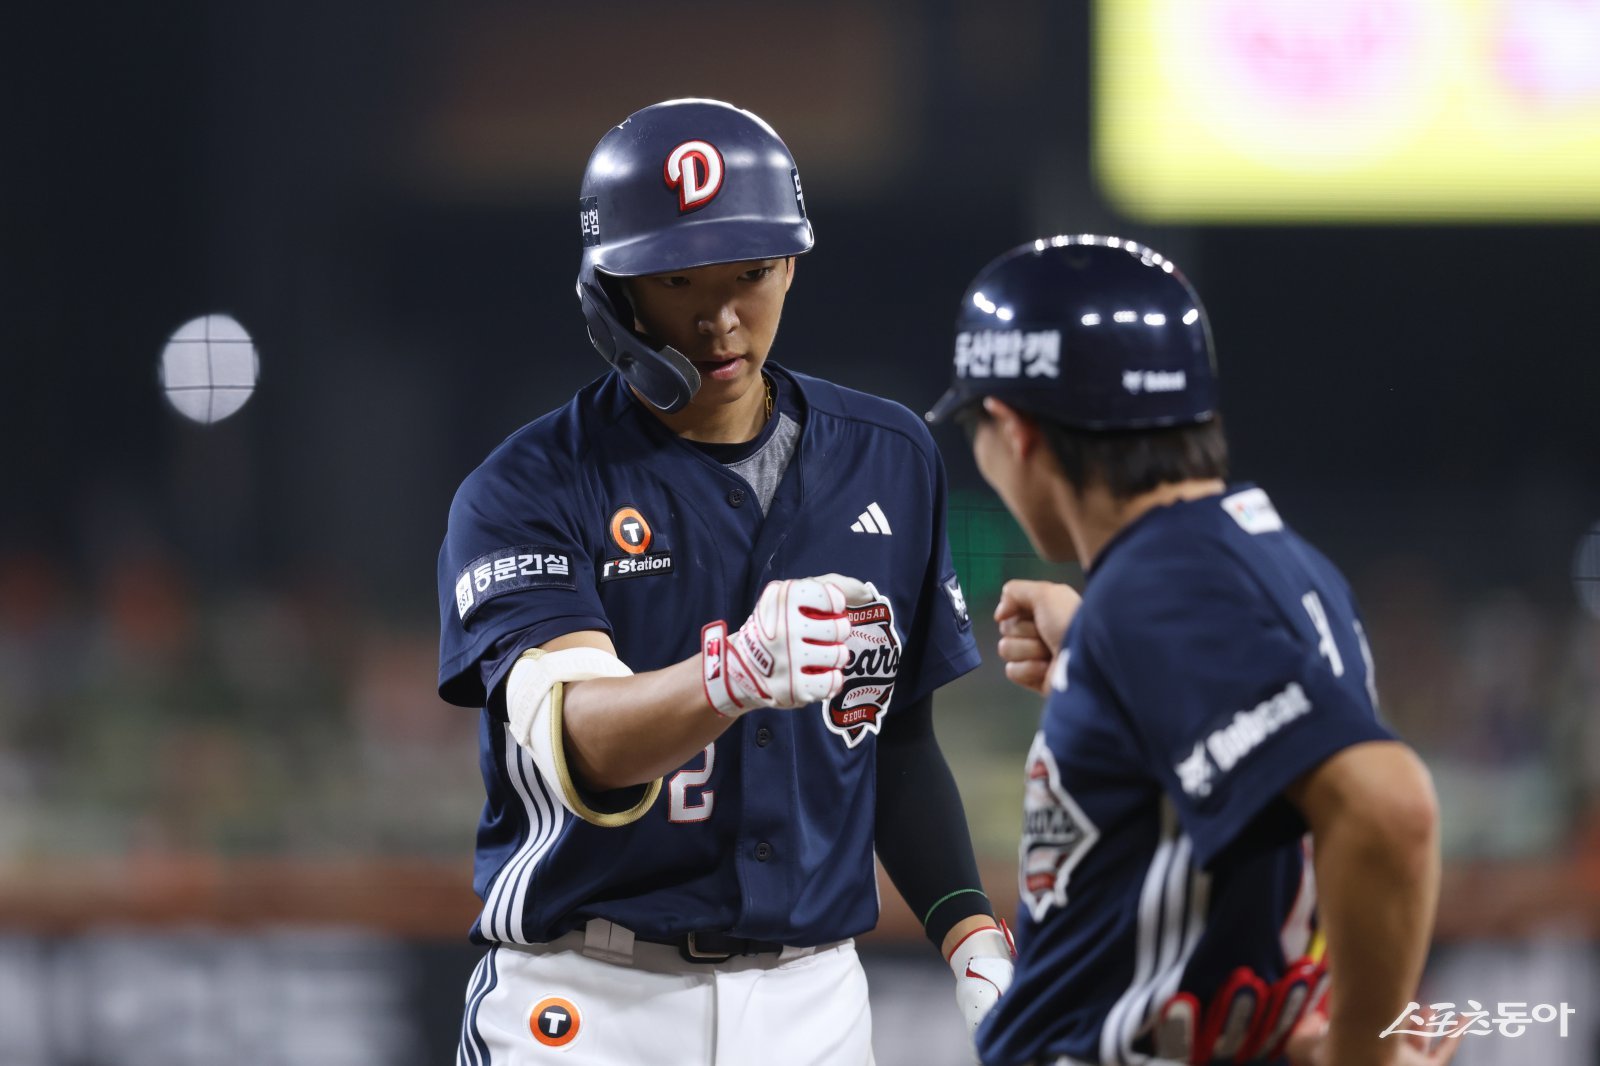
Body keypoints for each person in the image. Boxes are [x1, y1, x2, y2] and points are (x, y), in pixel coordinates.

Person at [436, 98, 1013, 1065]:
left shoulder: (891, 456)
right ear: (612, 295)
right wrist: (733, 675)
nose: (719, 317)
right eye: (676, 280)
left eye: (750, 273)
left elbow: (897, 742)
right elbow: (580, 738)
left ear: (790, 262)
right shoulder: (525, 486)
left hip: (814, 1000)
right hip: (587, 999)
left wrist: (971, 935)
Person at [925, 235, 1457, 1066]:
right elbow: (1249, 858)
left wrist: (1365, 1051)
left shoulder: (1162, 588)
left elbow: (1390, 807)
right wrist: (1097, 674)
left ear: (1013, 429)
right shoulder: (1287, 562)